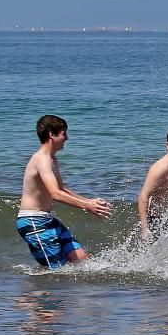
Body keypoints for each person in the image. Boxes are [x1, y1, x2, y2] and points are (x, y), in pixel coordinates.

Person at [16, 114, 112, 268]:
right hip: (33, 222)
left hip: (47, 219)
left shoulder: (52, 159)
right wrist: (86, 206)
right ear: (51, 134)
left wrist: (89, 202)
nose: (67, 138)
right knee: (56, 272)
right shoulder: (41, 159)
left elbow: (61, 189)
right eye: (64, 133)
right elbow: (55, 194)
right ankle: (37, 292)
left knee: (82, 259)